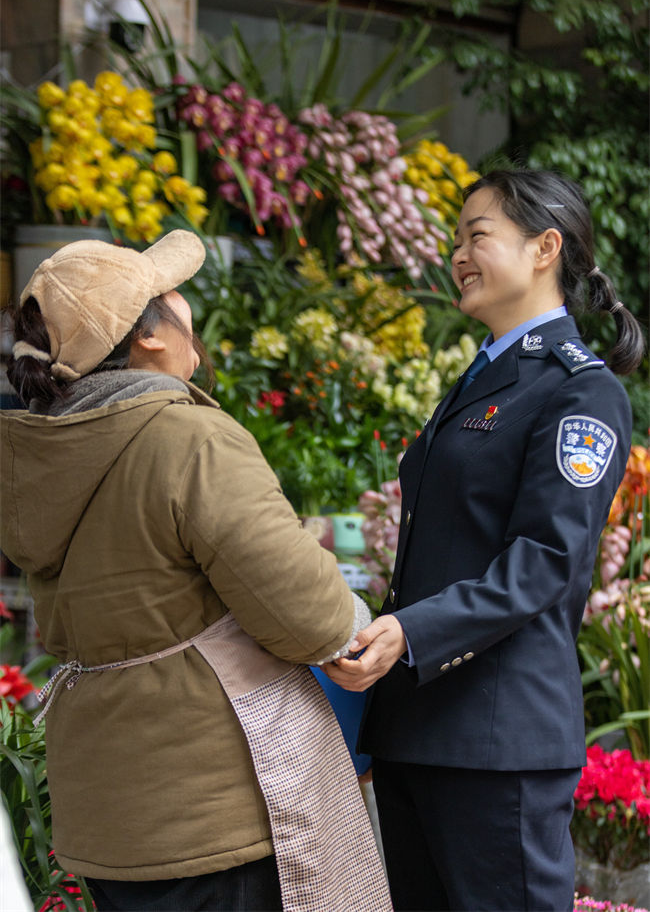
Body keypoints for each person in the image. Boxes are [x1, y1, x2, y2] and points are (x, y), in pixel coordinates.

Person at [0, 230, 392, 912]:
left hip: (108, 811)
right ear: (147, 337)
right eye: (172, 294)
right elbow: (313, 616)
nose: (189, 311)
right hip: (212, 809)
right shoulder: (186, 438)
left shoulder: (38, 455)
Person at [323, 168, 645, 912]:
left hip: (500, 747)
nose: (458, 253)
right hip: (421, 734)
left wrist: (407, 632)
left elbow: (546, 562)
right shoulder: (483, 379)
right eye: (455, 238)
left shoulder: (578, 390)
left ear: (545, 248)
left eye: (478, 235)